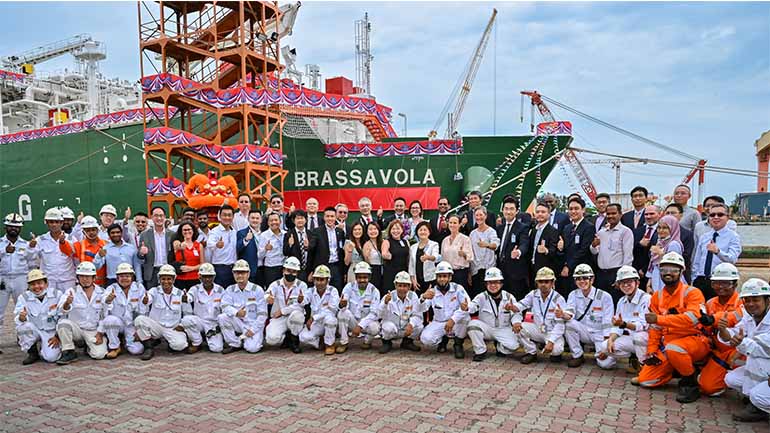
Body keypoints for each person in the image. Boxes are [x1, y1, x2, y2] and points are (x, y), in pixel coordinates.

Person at [636, 252, 709, 404]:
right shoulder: (657, 296)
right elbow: (655, 328)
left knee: (674, 348)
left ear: (681, 272)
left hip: (695, 341)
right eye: (664, 270)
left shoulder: (692, 293)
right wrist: (651, 352)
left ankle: (690, 382)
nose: (668, 273)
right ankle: (677, 368)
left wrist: (660, 318)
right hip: (669, 345)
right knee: (646, 380)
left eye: (674, 270)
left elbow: (692, 319)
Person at [722, 278, 770, 422]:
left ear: (768, 300)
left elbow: (761, 348)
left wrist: (740, 343)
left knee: (758, 395)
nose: (750, 304)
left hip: (765, 361)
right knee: (731, 379)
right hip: (765, 367)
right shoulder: (749, 317)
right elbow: (737, 333)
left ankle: (758, 407)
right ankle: (755, 400)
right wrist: (724, 331)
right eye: (747, 300)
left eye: (755, 300)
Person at [697, 263, 743, 397]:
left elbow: (733, 317)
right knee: (708, 388)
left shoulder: (743, 302)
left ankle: (745, 390)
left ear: (735, 284)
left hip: (737, 350)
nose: (720, 287)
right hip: (718, 350)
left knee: (747, 372)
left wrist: (713, 319)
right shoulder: (710, 303)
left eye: (725, 283)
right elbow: (703, 327)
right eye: (716, 283)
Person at [595, 265, 651, 372]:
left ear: (637, 283)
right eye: (622, 283)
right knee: (605, 346)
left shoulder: (646, 299)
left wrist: (624, 324)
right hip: (631, 339)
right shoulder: (621, 301)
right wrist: (611, 339)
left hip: (647, 340)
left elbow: (643, 326)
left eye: (629, 282)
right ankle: (634, 357)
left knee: (639, 337)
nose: (626, 285)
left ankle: (645, 367)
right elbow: (617, 327)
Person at [510, 267, 568, 364]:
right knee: (519, 327)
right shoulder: (533, 294)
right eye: (540, 281)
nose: (543, 284)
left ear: (553, 283)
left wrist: (551, 342)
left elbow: (560, 325)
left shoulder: (559, 299)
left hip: (552, 332)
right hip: (538, 328)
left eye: (547, 281)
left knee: (556, 349)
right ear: (537, 283)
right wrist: (513, 307)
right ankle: (531, 352)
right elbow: (522, 304)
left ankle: (555, 354)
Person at [561, 264, 615, 367]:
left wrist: (606, 343)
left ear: (592, 279)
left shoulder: (604, 296)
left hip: (600, 334)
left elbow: (608, 321)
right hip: (584, 331)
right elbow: (570, 312)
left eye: (585, 278)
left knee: (607, 364)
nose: (582, 281)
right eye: (578, 279)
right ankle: (577, 355)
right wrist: (563, 314)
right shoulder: (573, 294)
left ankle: (599, 352)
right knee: (568, 324)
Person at [55, 262, 109, 365]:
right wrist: (67, 303)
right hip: (77, 330)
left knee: (99, 355)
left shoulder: (102, 292)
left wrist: (100, 333)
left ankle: (87, 346)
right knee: (63, 323)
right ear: (78, 278)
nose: (85, 279)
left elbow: (105, 315)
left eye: (88, 276)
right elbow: (61, 310)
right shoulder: (71, 291)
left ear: (94, 278)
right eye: (82, 276)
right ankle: (69, 351)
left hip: (93, 330)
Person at [133, 264, 189, 360]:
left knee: (180, 345)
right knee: (139, 319)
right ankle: (149, 348)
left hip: (173, 328)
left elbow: (188, 312)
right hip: (156, 327)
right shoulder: (154, 291)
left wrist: (182, 325)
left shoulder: (180, 293)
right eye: (163, 279)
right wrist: (146, 300)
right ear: (159, 279)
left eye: (169, 279)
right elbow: (148, 299)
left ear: (174, 279)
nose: (166, 281)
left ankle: (169, 343)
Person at [466, 267, 520, 362]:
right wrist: (466, 307)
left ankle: (499, 348)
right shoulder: (481, 296)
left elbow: (516, 313)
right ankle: (480, 351)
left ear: (501, 283)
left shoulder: (509, 297)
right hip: (487, 328)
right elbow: (472, 306)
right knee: (472, 325)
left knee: (514, 346)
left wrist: (516, 322)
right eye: (490, 282)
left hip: (503, 329)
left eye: (496, 282)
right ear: (486, 284)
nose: (493, 285)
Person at [691, 203, 742, 301]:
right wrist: (695, 278)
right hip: (701, 280)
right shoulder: (704, 237)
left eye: (720, 215)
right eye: (712, 215)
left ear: (727, 217)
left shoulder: (733, 237)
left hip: (721, 281)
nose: (716, 217)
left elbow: (732, 259)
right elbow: (697, 261)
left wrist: (718, 252)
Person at [419, 261, 470, 359]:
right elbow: (422, 308)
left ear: (450, 277)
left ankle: (458, 345)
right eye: (439, 276)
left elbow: (467, 305)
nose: (442, 279)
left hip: (456, 322)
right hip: (439, 322)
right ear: (436, 278)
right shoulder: (432, 292)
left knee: (466, 318)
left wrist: (453, 319)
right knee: (426, 339)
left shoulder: (458, 289)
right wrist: (423, 298)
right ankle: (443, 340)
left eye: (445, 276)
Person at [1, 213, 37, 343]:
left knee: (23, 309)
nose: (13, 229)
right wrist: (4, 251)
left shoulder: (26, 244)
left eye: (16, 227)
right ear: (5, 227)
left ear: (20, 228)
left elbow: (32, 263)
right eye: (11, 226)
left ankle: (23, 337)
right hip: (2, 279)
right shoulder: (0, 243)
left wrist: (32, 248)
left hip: (21, 278)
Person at [98, 262, 146, 359]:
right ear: (117, 278)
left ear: (132, 277)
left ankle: (125, 341)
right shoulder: (111, 288)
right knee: (109, 320)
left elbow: (143, 310)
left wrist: (140, 330)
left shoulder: (139, 287)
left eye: (127, 276)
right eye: (122, 276)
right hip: (117, 323)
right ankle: (115, 347)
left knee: (137, 350)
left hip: (132, 325)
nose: (124, 278)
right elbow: (103, 303)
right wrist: (108, 300)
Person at [218, 260, 267, 354]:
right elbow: (224, 306)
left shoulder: (257, 290)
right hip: (238, 321)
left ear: (248, 274)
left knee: (252, 349)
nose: (239, 275)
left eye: (243, 272)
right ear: (233, 274)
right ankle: (234, 343)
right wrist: (236, 312)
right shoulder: (230, 289)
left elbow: (263, 314)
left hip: (253, 324)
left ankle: (248, 339)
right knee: (222, 317)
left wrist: (253, 330)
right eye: (237, 273)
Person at [14, 269, 62, 364]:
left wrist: (58, 336)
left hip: (51, 331)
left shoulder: (57, 294)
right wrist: (21, 318)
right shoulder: (23, 297)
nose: (36, 287)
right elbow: (18, 318)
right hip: (35, 329)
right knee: (23, 328)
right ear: (29, 286)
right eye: (32, 284)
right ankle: (32, 352)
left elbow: (64, 316)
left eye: (39, 283)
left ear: (46, 283)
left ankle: (44, 347)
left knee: (51, 358)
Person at [590, 203, 633, 303]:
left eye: (614, 213)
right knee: (600, 304)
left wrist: (622, 277)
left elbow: (628, 257)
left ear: (620, 214)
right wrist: (593, 245)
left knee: (616, 302)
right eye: (608, 214)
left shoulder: (625, 232)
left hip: (616, 273)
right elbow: (594, 251)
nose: (610, 216)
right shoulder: (602, 232)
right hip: (601, 274)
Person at [179, 263, 225, 354]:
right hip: (199, 321)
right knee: (186, 320)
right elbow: (189, 296)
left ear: (214, 277)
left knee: (217, 349)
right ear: (200, 277)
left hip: (213, 323)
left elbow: (224, 307)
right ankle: (197, 342)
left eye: (210, 276)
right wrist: (186, 298)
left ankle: (210, 338)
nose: (207, 279)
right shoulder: (195, 288)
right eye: (204, 276)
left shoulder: (220, 290)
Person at [264, 257, 307, 353]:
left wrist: (282, 311)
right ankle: (286, 337)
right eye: (288, 271)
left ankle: (294, 340)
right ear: (283, 270)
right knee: (271, 339)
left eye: (294, 271)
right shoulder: (275, 284)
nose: (291, 274)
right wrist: (268, 298)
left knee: (298, 316)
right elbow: (267, 294)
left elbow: (300, 305)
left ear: (297, 273)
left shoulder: (302, 285)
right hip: (279, 318)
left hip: (293, 317)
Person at [337, 262, 381, 352]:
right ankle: (343, 343)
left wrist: (360, 326)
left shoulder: (374, 291)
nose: (362, 280)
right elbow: (343, 305)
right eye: (359, 277)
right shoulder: (349, 287)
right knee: (342, 313)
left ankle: (367, 342)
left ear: (369, 278)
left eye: (364, 277)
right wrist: (342, 305)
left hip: (366, 323)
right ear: (356, 277)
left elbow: (374, 313)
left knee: (375, 328)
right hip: (352, 321)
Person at [557, 197, 595, 296]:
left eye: (576, 208)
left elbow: (584, 250)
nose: (573, 211)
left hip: (581, 270)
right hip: (566, 272)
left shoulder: (589, 227)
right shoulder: (567, 228)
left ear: (583, 210)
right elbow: (565, 249)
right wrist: (560, 248)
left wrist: (568, 266)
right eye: (571, 209)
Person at [378, 271, 423, 353]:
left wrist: (411, 324)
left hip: (405, 327)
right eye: (400, 285)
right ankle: (386, 342)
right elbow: (380, 315)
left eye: (405, 286)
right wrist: (385, 303)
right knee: (388, 328)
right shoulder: (388, 297)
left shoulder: (413, 296)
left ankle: (407, 342)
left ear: (409, 287)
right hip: (392, 327)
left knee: (419, 326)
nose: (402, 288)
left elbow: (418, 315)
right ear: (395, 285)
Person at [299, 265, 340, 355]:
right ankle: (320, 343)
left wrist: (314, 317)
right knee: (303, 337)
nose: (319, 282)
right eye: (317, 279)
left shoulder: (333, 291)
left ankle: (330, 344)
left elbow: (332, 309)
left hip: (328, 321)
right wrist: (301, 300)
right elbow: (304, 301)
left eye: (322, 280)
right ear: (314, 280)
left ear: (327, 280)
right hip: (316, 323)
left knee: (330, 320)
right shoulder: (310, 291)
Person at [60, 215, 107, 287]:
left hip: (103, 284)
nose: (91, 232)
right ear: (83, 232)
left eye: (93, 230)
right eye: (88, 230)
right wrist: (62, 242)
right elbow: (68, 250)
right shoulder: (79, 245)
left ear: (98, 230)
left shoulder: (106, 244)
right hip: (85, 284)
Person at [35, 208, 76, 291]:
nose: (54, 225)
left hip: (68, 281)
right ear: (46, 222)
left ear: (61, 223)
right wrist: (30, 248)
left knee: (69, 303)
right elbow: (31, 258)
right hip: (49, 281)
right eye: (51, 222)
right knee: (50, 303)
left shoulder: (71, 239)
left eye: (57, 222)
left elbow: (76, 260)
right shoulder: (40, 240)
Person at [95, 223, 143, 287]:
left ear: (121, 233)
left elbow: (137, 265)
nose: (115, 234)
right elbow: (97, 267)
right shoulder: (105, 249)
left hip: (129, 279)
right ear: (109, 235)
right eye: (113, 233)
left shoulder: (131, 248)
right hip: (112, 280)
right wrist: (99, 256)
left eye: (118, 232)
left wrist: (139, 281)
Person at [309, 207, 345, 290]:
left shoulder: (340, 231)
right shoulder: (317, 231)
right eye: (327, 216)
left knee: (337, 290)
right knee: (321, 291)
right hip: (322, 266)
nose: (330, 218)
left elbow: (342, 251)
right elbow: (312, 252)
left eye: (332, 216)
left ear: (336, 217)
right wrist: (311, 270)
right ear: (324, 217)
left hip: (336, 267)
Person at [646, 215, 684, 293]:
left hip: (668, 279)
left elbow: (674, 265)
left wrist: (660, 253)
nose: (661, 230)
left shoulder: (674, 244)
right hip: (657, 277)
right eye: (659, 228)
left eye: (665, 228)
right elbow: (653, 264)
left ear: (672, 229)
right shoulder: (660, 242)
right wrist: (649, 283)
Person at [138, 206, 173, 290]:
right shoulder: (144, 235)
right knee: (152, 299)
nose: (159, 218)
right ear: (151, 218)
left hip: (168, 271)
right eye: (156, 216)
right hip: (151, 272)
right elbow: (139, 256)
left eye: (161, 215)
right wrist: (141, 253)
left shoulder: (172, 234)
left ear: (165, 217)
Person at [469, 207, 500, 299]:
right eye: (476, 215)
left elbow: (495, 245)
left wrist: (487, 245)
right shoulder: (472, 234)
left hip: (489, 269)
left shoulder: (491, 231)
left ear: (485, 216)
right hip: (475, 270)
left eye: (481, 215)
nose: (479, 217)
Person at [528, 202, 559, 289]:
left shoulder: (553, 231)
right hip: (531, 268)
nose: (540, 214)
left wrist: (546, 250)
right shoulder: (533, 230)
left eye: (543, 212)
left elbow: (554, 252)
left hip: (545, 270)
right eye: (538, 212)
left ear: (549, 214)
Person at [206, 205, 238, 288]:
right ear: (219, 217)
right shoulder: (215, 231)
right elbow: (209, 244)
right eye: (224, 215)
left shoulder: (234, 231)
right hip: (220, 268)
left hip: (233, 268)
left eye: (229, 215)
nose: (227, 217)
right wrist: (216, 244)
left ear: (233, 217)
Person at [440, 215, 473, 293]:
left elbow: (470, 257)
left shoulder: (465, 239)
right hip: (447, 273)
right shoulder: (445, 240)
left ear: (459, 224)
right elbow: (442, 258)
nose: (452, 225)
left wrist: (464, 254)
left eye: (455, 223)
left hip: (460, 273)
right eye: (450, 223)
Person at [663, 203, 694, 280]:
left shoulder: (687, 234)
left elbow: (686, 255)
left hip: (678, 274)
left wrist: (663, 254)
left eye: (673, 213)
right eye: (667, 213)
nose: (670, 215)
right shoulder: (659, 233)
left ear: (681, 215)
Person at [632, 205, 660, 291]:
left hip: (653, 274)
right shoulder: (637, 231)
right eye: (646, 214)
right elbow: (631, 251)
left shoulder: (662, 231)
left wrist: (645, 269)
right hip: (637, 275)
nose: (648, 217)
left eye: (652, 214)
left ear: (659, 214)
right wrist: (639, 244)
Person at [408, 221, 440, 294]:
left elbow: (436, 257)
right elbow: (411, 265)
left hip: (430, 279)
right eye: (420, 230)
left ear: (429, 232)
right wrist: (413, 280)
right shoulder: (413, 247)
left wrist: (428, 257)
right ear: (417, 232)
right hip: (417, 280)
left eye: (425, 230)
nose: (423, 232)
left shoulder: (434, 244)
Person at [381, 219, 410, 293]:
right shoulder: (387, 241)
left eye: (398, 228)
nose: (395, 231)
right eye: (393, 229)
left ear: (402, 230)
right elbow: (384, 254)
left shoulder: (405, 241)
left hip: (404, 271)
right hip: (391, 273)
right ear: (390, 230)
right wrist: (391, 256)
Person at [258, 212, 286, 288]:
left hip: (284, 267)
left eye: (276, 220)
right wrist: (265, 249)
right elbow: (259, 256)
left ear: (280, 221)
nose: (274, 222)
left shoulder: (285, 234)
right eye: (271, 220)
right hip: (270, 269)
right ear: (268, 222)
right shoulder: (264, 235)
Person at [283, 209, 311, 283]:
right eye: (297, 218)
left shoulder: (310, 234)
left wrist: (308, 246)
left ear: (306, 220)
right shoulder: (288, 234)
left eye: (302, 218)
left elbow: (314, 253)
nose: (300, 220)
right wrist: (290, 245)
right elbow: (285, 252)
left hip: (308, 269)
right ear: (293, 220)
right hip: (295, 269)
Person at [237, 209, 262, 285]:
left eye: (257, 218)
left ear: (261, 220)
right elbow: (237, 249)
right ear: (248, 219)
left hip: (263, 269)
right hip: (249, 270)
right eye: (252, 218)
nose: (255, 220)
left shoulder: (264, 234)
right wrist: (246, 240)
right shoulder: (242, 233)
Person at [362, 222, 384, 291]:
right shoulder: (366, 244)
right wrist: (367, 256)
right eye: (370, 229)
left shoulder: (384, 242)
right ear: (367, 232)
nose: (373, 231)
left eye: (375, 229)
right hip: (373, 271)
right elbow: (366, 261)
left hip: (385, 270)